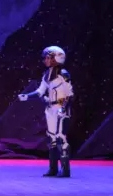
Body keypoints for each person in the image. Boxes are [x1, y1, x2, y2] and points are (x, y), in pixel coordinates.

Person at [18, 46, 74, 178]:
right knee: (51, 139)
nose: (45, 60)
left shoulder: (63, 74)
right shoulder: (47, 74)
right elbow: (40, 91)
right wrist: (27, 96)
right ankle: (53, 168)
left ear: (56, 58)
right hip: (50, 109)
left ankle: (65, 169)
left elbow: (70, 94)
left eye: (48, 58)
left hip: (61, 108)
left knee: (60, 138)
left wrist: (63, 108)